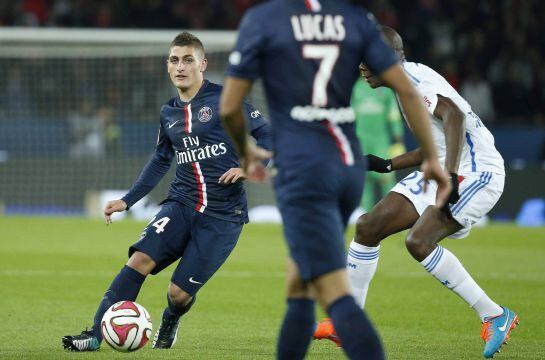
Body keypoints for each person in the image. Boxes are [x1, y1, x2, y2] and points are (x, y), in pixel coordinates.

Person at [220, 1, 450, 359]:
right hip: (347, 166)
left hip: (305, 169)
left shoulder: (265, 19)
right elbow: (406, 89)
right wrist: (433, 158)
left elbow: (228, 107)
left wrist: (246, 151)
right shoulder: (356, 19)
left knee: (334, 295)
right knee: (299, 283)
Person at [314, 27, 519, 359]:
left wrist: (450, 177)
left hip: (478, 171)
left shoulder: (413, 83)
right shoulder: (401, 83)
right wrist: (386, 165)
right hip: (443, 167)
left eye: (366, 61)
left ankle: (494, 314)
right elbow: (432, 146)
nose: (361, 68)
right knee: (368, 226)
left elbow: (453, 118)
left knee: (419, 241)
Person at [62, 32, 272, 351]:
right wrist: (127, 200)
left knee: (178, 293)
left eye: (188, 60)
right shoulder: (168, 112)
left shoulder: (227, 100)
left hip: (223, 215)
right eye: (174, 60)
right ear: (167, 66)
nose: (180, 67)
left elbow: (270, 137)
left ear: (203, 64)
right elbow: (161, 159)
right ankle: (94, 335)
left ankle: (171, 318)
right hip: (180, 204)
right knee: (139, 260)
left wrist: (250, 168)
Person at [352, 77, 405, 212]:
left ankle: (392, 212)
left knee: (386, 176)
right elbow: (349, 114)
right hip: (360, 140)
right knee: (363, 180)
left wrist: (398, 137)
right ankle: (363, 214)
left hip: (380, 140)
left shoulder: (384, 88)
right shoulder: (354, 88)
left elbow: (393, 114)